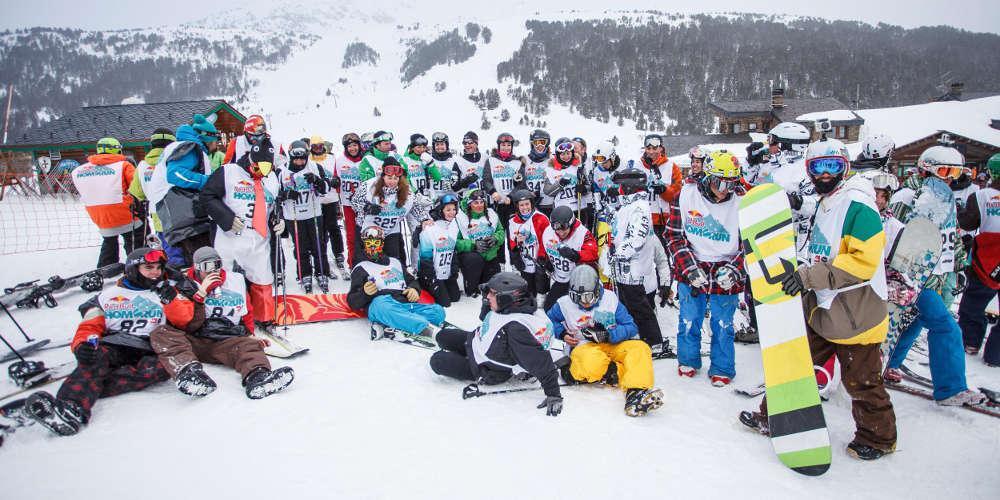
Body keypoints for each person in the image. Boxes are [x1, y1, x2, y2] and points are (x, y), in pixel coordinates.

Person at [740, 137, 897, 461]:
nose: (825, 174)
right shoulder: (827, 202)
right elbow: (821, 251)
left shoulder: (859, 205)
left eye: (833, 166)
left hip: (856, 314)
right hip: (823, 310)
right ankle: (773, 416)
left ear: (845, 167)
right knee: (793, 366)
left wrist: (808, 277)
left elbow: (863, 262)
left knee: (861, 381)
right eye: (818, 167)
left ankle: (878, 438)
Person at [22, 248, 187, 436]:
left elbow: (184, 321)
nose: (155, 272)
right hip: (116, 343)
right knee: (95, 358)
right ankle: (71, 408)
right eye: (148, 267)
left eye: (158, 267)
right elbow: (89, 326)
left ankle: (82, 390)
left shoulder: (167, 290)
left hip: (151, 347)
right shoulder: (107, 296)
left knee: (160, 368)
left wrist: (172, 300)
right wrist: (81, 344)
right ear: (133, 269)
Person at [883, 145, 988, 404]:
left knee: (914, 324)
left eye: (955, 172)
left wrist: (959, 266)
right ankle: (951, 388)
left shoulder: (945, 199)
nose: (949, 178)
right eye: (943, 171)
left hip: (937, 275)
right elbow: (891, 233)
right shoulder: (909, 197)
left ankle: (888, 363)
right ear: (926, 169)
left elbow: (951, 237)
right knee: (946, 327)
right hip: (913, 278)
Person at [149, 247, 295, 399]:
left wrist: (250, 334)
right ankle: (189, 375)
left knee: (249, 346)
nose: (213, 271)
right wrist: (200, 295)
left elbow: (246, 311)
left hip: (224, 340)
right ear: (197, 267)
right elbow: (188, 324)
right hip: (195, 339)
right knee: (163, 333)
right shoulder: (184, 284)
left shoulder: (235, 280)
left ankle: (258, 377)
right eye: (207, 267)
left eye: (217, 265)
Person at [429, 272, 564, 416]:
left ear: (506, 298)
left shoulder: (516, 329)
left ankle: (463, 361)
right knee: (443, 336)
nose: (488, 296)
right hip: (477, 343)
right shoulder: (509, 307)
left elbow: (540, 362)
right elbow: (485, 319)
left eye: (492, 293)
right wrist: (487, 302)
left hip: (486, 368)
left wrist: (553, 394)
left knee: (437, 360)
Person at [666, 151, 745, 385]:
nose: (725, 190)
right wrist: (689, 268)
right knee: (689, 318)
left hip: (726, 265)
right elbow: (674, 236)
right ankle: (688, 359)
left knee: (723, 322)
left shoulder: (743, 201)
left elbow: (751, 244)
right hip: (693, 261)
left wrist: (736, 269)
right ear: (708, 177)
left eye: (731, 184)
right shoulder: (686, 195)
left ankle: (722, 366)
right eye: (720, 183)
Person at [547, 265, 663, 416]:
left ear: (596, 290)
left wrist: (610, 335)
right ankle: (615, 372)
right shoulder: (564, 304)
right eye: (576, 297)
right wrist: (562, 333)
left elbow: (631, 326)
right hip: (584, 346)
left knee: (640, 348)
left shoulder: (610, 299)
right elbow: (548, 322)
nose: (583, 302)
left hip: (613, 343)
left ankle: (636, 392)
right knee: (592, 363)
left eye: (587, 297)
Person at [200, 135, 283, 326]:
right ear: (251, 159)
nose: (262, 172)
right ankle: (225, 317)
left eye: (267, 168)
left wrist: (279, 222)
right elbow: (207, 196)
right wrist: (226, 218)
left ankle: (264, 319)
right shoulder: (229, 172)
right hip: (230, 238)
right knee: (226, 277)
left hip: (258, 238)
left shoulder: (271, 179)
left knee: (263, 278)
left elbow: (273, 207)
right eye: (258, 167)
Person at [347, 226, 444, 338]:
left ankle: (396, 323)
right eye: (369, 243)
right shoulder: (360, 268)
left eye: (376, 243)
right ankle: (423, 328)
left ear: (382, 243)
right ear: (364, 245)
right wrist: (364, 293)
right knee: (381, 305)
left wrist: (414, 289)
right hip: (382, 304)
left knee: (438, 311)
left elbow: (411, 281)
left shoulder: (395, 262)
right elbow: (352, 301)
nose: (373, 247)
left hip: (404, 304)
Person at [147, 114, 220, 264]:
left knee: (192, 258)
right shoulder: (189, 147)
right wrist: (209, 182)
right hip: (184, 215)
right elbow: (175, 174)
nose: (217, 144)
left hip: (177, 214)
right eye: (216, 139)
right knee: (202, 258)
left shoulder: (183, 147)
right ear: (207, 137)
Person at [607, 167, 664, 353]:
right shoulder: (629, 206)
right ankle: (638, 336)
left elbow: (637, 238)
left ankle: (654, 341)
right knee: (628, 304)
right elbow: (620, 227)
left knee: (639, 306)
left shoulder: (639, 208)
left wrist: (619, 254)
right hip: (624, 268)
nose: (619, 190)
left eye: (620, 186)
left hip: (633, 268)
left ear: (629, 187)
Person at [70, 137, 147, 269]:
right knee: (135, 238)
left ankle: (106, 268)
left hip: (98, 215)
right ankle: (138, 265)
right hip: (124, 212)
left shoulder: (79, 170)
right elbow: (137, 187)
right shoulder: (124, 166)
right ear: (117, 150)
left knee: (109, 240)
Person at [958, 153, 1000, 366]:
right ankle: (996, 355)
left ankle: (970, 341)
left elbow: (968, 223)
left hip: (988, 258)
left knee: (974, 302)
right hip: (990, 255)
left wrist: (958, 211)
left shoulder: (982, 196)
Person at [351, 156, 430, 264]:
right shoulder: (369, 185)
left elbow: (415, 206)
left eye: (395, 178)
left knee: (393, 261)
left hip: (391, 230)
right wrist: (367, 207)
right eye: (389, 178)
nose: (392, 181)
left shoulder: (407, 190)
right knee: (366, 260)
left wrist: (424, 219)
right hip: (368, 229)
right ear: (383, 176)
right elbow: (355, 202)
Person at [277, 140, 330, 294]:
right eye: (296, 159)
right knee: (301, 247)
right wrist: (285, 194)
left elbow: (327, 187)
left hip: (313, 214)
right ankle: (304, 274)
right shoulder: (281, 171)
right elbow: (274, 195)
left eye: (302, 159)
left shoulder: (315, 167)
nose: (300, 162)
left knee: (318, 245)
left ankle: (321, 272)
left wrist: (318, 181)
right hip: (293, 216)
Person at [129, 129, 185, 266]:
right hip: (181, 211)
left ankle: (172, 267)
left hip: (157, 213)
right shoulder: (175, 162)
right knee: (182, 244)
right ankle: (179, 268)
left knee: (167, 244)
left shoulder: (142, 166)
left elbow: (137, 193)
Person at [541, 206, 598, 311]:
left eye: (564, 229)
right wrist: (547, 261)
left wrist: (575, 255)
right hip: (561, 279)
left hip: (579, 280)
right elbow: (545, 248)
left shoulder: (582, 233)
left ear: (571, 224)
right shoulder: (548, 232)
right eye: (557, 230)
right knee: (549, 308)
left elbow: (593, 252)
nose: (561, 233)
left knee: (578, 309)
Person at [310, 135, 349, 281]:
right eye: (315, 147)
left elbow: (339, 175)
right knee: (321, 230)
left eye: (320, 146)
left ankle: (338, 253)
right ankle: (322, 254)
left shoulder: (331, 159)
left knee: (334, 228)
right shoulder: (309, 161)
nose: (317, 149)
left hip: (332, 199)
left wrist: (336, 181)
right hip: (317, 201)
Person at [455, 188, 504, 297]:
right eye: (475, 203)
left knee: (493, 286)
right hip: (472, 258)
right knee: (474, 260)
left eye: (482, 202)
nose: (479, 205)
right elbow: (455, 242)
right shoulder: (460, 218)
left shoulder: (491, 214)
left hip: (490, 255)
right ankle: (471, 287)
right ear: (469, 204)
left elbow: (501, 231)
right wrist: (473, 245)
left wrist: (495, 238)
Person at [637, 134, 683, 247]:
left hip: (664, 220)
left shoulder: (671, 167)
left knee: (663, 254)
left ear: (661, 148)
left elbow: (678, 195)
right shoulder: (638, 166)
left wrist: (664, 190)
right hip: (642, 219)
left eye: (655, 148)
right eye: (648, 148)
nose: (651, 152)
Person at [418, 192, 461, 307]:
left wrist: (453, 272)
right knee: (445, 303)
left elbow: (453, 253)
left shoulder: (453, 227)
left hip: (445, 273)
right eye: (448, 210)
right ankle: (423, 286)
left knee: (455, 297)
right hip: (432, 275)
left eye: (454, 209)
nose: (452, 212)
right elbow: (425, 259)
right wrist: (431, 278)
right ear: (440, 210)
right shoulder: (429, 229)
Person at [507, 189, 551, 297]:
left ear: (531, 204)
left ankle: (542, 296)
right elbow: (511, 242)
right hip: (525, 260)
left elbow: (547, 240)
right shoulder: (512, 221)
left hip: (539, 259)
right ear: (517, 206)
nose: (525, 208)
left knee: (541, 288)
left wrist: (542, 257)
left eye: (527, 204)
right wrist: (516, 249)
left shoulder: (541, 218)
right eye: (521, 205)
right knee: (528, 291)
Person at [482, 132, 525, 228]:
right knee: (498, 230)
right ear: (499, 146)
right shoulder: (491, 161)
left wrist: (511, 197)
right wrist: (492, 192)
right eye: (503, 145)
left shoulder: (517, 163)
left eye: (509, 145)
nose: (506, 147)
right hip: (496, 203)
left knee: (513, 230)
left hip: (512, 203)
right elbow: (486, 179)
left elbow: (521, 184)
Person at [337, 132, 365, 266]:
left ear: (359, 145)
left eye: (354, 145)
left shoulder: (365, 160)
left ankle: (369, 261)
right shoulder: (340, 160)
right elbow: (336, 180)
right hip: (348, 204)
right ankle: (353, 263)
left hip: (364, 205)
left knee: (366, 234)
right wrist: (335, 183)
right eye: (349, 146)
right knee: (352, 235)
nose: (352, 149)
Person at [540, 137, 587, 217]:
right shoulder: (550, 170)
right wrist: (560, 184)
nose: (566, 157)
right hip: (562, 210)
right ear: (558, 155)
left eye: (568, 153)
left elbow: (588, 185)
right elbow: (548, 192)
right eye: (562, 154)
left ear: (572, 153)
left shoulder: (578, 166)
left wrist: (584, 188)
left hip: (579, 209)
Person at [450, 131, 487, 197]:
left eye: (470, 142)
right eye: (464, 143)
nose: (467, 145)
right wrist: (466, 181)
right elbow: (454, 187)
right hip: (468, 200)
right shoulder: (458, 162)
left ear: (476, 143)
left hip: (485, 199)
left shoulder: (486, 158)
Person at [522, 129, 551, 204]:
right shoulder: (525, 160)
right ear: (532, 144)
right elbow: (520, 183)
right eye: (536, 143)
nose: (539, 146)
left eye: (542, 142)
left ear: (547, 143)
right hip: (531, 203)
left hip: (550, 203)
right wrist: (527, 193)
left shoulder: (553, 159)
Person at [574, 137, 596, 230]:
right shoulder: (571, 163)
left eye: (576, 148)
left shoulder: (591, 162)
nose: (573, 151)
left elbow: (595, 184)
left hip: (590, 202)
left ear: (583, 149)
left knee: (590, 229)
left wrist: (585, 188)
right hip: (577, 204)